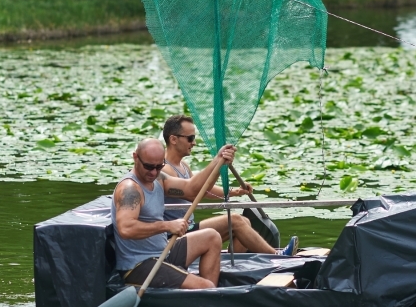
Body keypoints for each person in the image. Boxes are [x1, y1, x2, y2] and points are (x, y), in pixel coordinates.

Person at [162, 115, 299, 256]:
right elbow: (191, 192)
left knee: (245, 221)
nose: (194, 143)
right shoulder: (164, 170)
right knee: (236, 220)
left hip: (189, 227)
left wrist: (235, 191)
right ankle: (278, 256)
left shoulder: (183, 166)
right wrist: (217, 162)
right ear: (173, 139)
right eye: (190, 138)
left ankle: (231, 259)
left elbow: (204, 191)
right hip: (174, 236)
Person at [111, 138, 236, 289]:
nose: (153, 172)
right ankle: (207, 293)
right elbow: (126, 228)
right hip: (139, 265)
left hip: (164, 252)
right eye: (149, 166)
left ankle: (207, 298)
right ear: (135, 157)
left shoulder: (159, 178)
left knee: (212, 237)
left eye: (159, 166)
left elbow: (192, 189)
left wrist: (217, 162)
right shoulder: (130, 189)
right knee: (206, 286)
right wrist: (167, 226)